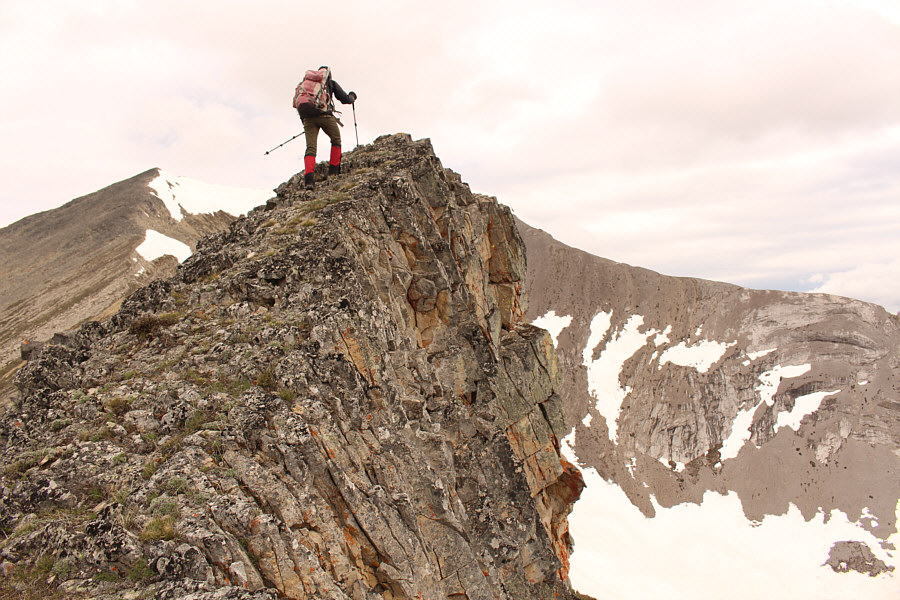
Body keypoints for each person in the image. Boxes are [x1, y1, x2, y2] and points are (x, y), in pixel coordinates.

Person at [295, 67, 357, 190]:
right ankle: (333, 172)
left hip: (308, 118)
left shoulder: (304, 84)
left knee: (311, 148)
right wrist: (353, 96)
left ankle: (309, 181)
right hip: (324, 115)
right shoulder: (330, 83)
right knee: (336, 140)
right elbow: (345, 99)